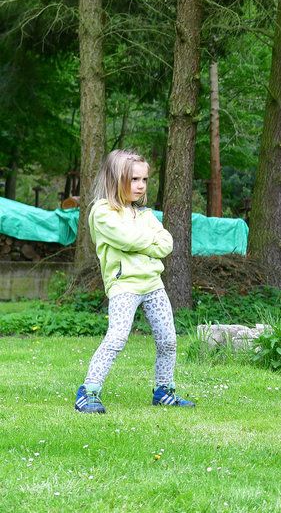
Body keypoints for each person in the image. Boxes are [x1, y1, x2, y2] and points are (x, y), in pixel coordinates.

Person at [74, 149, 194, 414]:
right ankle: (88, 392)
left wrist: (145, 242)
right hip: (124, 284)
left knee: (168, 340)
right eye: (133, 179)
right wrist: (149, 242)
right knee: (116, 338)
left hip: (153, 284)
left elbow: (167, 243)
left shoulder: (143, 213)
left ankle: (164, 391)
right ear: (116, 179)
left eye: (144, 180)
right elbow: (127, 239)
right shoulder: (102, 212)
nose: (140, 186)